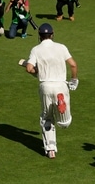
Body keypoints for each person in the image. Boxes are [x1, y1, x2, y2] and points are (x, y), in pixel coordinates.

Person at [24, 23, 78, 159]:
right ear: (52, 34)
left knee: (46, 117)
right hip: (61, 85)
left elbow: (29, 68)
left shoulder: (36, 50)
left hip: (45, 86)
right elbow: (73, 64)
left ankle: (50, 149)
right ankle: (61, 105)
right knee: (64, 123)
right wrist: (74, 79)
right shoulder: (61, 47)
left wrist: (37, 71)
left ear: (40, 36)